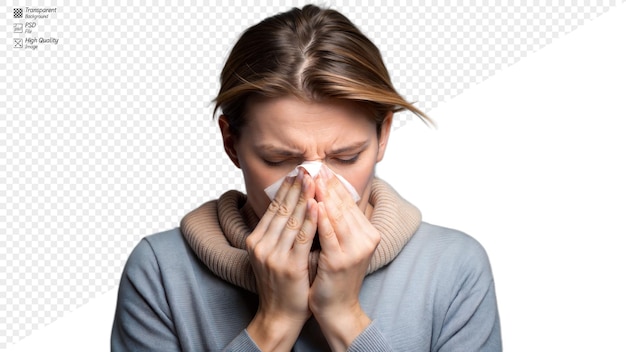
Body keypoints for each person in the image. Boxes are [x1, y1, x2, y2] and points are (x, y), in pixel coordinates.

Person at [111, 4, 501, 351]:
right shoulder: (161, 270)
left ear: (383, 136)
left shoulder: (453, 267)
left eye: (346, 156)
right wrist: (274, 323)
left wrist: (346, 318)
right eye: (279, 158)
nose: (314, 186)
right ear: (231, 143)